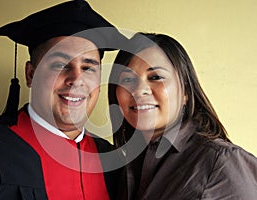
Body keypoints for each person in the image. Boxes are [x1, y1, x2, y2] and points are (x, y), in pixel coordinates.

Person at [0, 1, 127, 199]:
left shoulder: (111, 161)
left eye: (88, 68)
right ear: (30, 74)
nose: (75, 80)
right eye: (59, 65)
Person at [108, 33, 257, 199]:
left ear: (185, 91)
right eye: (128, 80)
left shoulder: (222, 162)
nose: (139, 90)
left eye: (156, 77)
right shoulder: (124, 165)